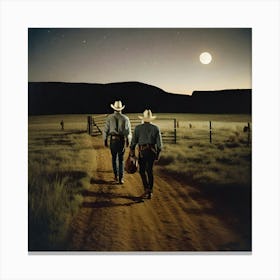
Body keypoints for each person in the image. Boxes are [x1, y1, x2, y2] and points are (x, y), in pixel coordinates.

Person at [130, 109, 163, 199]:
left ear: (143, 119)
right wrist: (158, 154)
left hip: (142, 152)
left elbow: (133, 142)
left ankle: (146, 188)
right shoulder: (156, 128)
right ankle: (150, 191)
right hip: (152, 152)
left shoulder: (138, 128)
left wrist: (132, 151)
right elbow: (159, 144)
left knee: (142, 171)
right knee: (150, 171)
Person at [103, 100, 132, 184]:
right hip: (121, 140)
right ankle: (121, 178)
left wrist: (105, 140)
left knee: (114, 158)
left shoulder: (109, 118)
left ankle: (116, 176)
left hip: (113, 140)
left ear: (114, 109)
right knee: (121, 159)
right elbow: (128, 132)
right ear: (121, 109)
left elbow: (105, 130)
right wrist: (128, 141)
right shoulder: (125, 118)